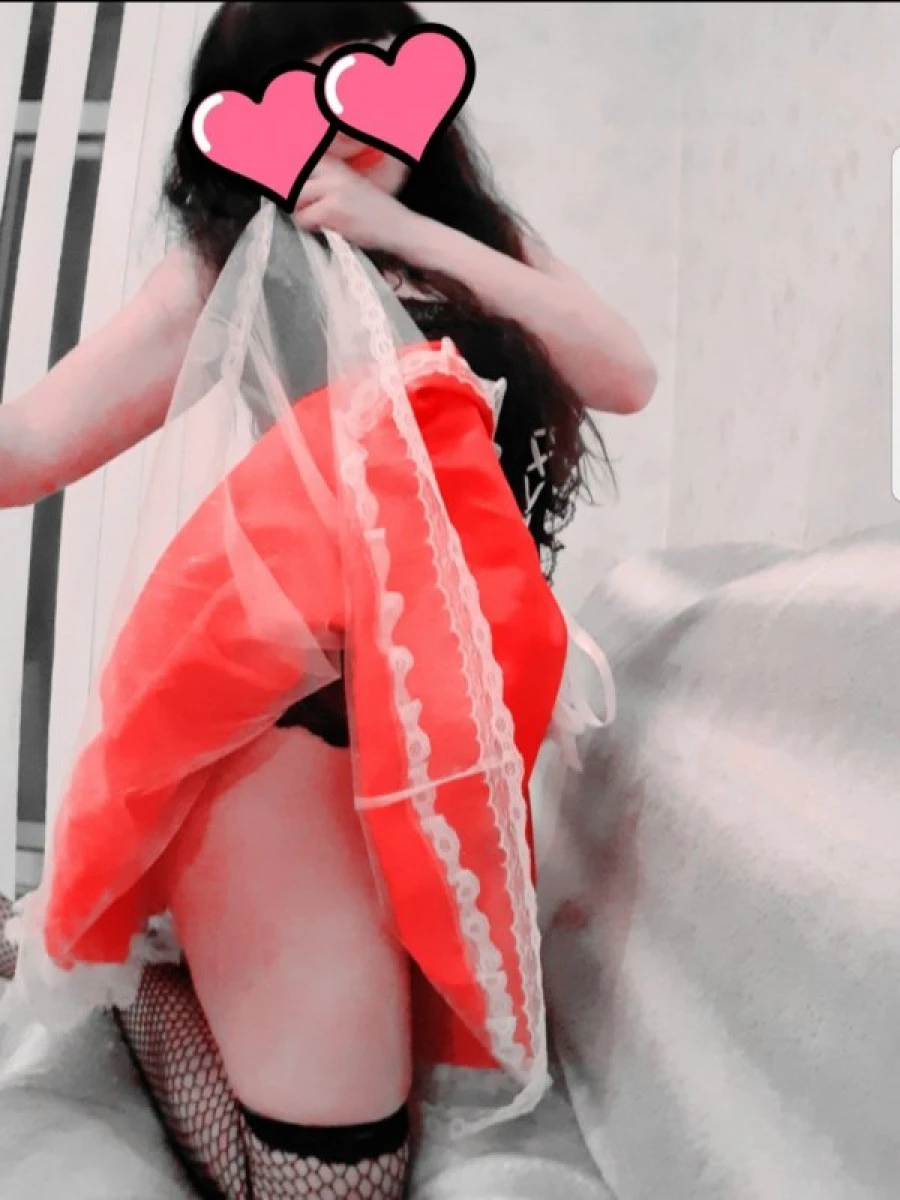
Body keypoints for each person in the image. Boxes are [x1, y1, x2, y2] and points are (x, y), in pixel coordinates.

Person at [0, 4, 655, 1197]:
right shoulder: (232, 260)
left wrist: (402, 231)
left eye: (362, 85)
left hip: (450, 748)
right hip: (291, 728)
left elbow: (626, 374)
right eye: (302, 98)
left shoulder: (481, 240)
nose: (343, 126)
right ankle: (145, 987)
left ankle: (177, 957)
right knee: (336, 1179)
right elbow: (31, 445)